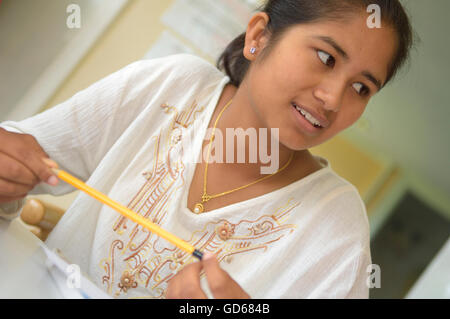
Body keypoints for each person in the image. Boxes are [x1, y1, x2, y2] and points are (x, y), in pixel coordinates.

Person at [0, 0, 413, 298]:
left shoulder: (337, 232)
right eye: (326, 57)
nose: (333, 98)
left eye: (362, 88)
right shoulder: (172, 86)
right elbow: (20, 155)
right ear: (258, 36)